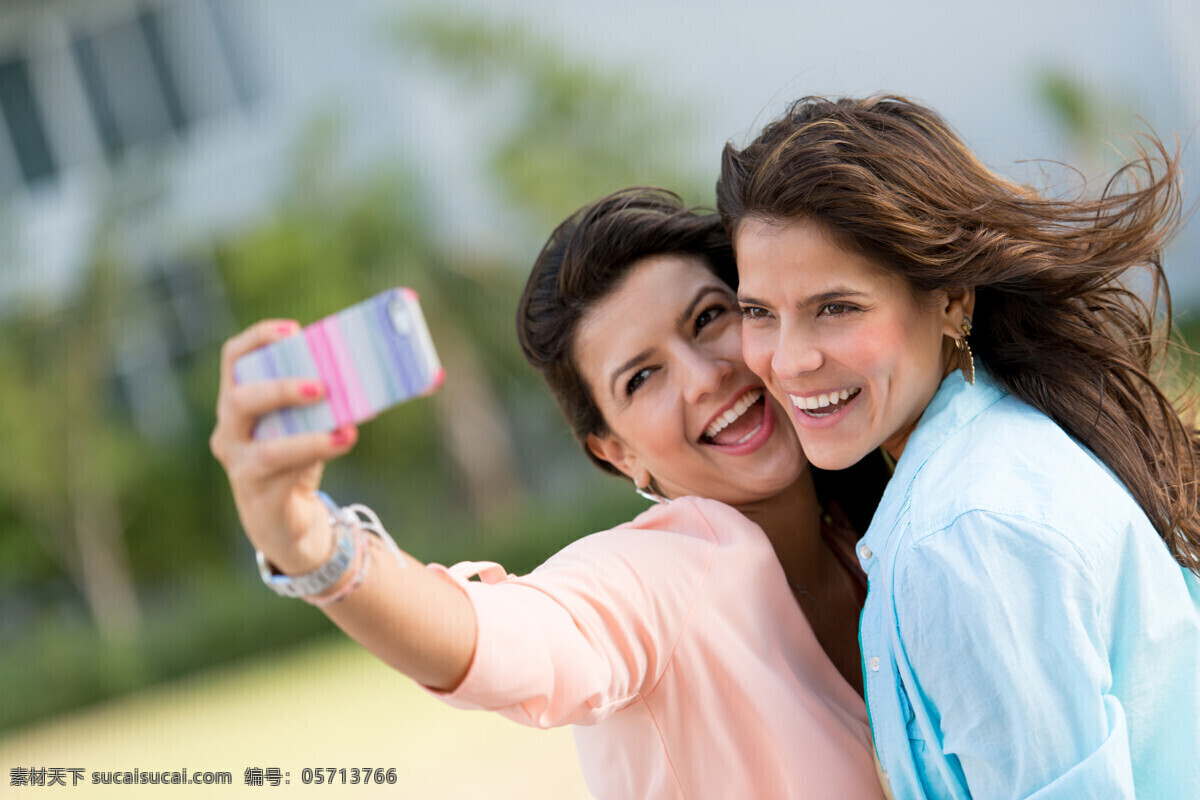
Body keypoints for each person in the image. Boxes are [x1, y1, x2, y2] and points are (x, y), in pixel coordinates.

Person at [210, 188, 891, 799]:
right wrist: (311, 547)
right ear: (616, 452)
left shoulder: (874, 522)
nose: (702, 377)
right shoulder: (665, 575)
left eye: (709, 318)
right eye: (641, 378)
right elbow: (513, 637)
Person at [717, 94, 1200, 799]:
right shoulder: (1014, 435)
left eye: (837, 307)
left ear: (952, 301)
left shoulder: (962, 535)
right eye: (758, 312)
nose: (789, 361)